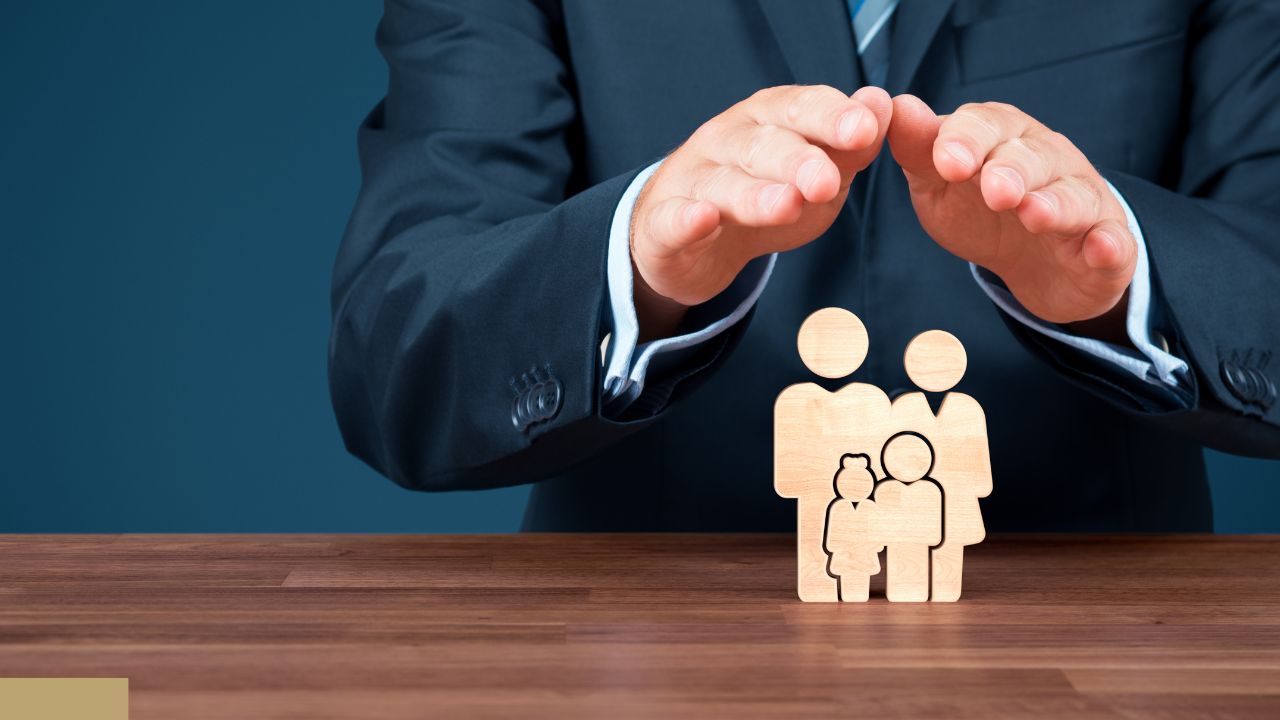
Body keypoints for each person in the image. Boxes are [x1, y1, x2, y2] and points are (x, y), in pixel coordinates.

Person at [330, 1, 1280, 533]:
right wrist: (635, 265)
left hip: (1107, 642)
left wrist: (1122, 287)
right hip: (636, 650)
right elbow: (393, 354)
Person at [872, 432, 943, 602]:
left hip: (919, 543)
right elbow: (880, 525)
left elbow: (934, 529)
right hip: (897, 544)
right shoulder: (885, 489)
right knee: (900, 572)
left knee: (916, 571)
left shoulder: (930, 490)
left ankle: (915, 590)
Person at [822, 453, 883, 603]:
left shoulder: (870, 506)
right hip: (844, 551)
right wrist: (834, 545)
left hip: (865, 552)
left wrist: (875, 544)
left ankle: (859, 593)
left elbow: (876, 531)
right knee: (846, 572)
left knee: (862, 573)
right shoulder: (839, 506)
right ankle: (849, 593)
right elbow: (833, 532)